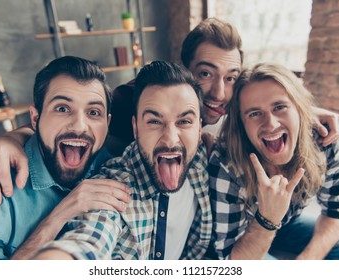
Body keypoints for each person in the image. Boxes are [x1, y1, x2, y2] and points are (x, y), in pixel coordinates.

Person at [0, 18, 339, 207]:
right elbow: (70, 121)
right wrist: (12, 137)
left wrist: (307, 111)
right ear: (184, 70)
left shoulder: (232, 100)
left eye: (231, 77)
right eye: (205, 74)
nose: (219, 92)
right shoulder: (127, 99)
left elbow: (271, 99)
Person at [32, 61, 211, 260]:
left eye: (184, 121)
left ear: (199, 128)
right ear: (135, 128)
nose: (170, 139)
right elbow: (89, 241)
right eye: (154, 121)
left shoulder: (203, 158)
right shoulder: (113, 184)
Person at [0, 56, 130, 259]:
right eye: (62, 109)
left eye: (93, 112)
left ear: (107, 124)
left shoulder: (117, 167)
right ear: (35, 119)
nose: (79, 126)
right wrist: (58, 217)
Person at [209, 62, 339, 260]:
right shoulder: (225, 163)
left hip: (287, 225)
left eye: (280, 107)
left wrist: (307, 261)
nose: (270, 124)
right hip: (244, 235)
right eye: (254, 113)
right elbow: (231, 262)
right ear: (242, 124)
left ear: (299, 109)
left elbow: (337, 209)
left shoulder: (323, 140)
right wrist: (267, 218)